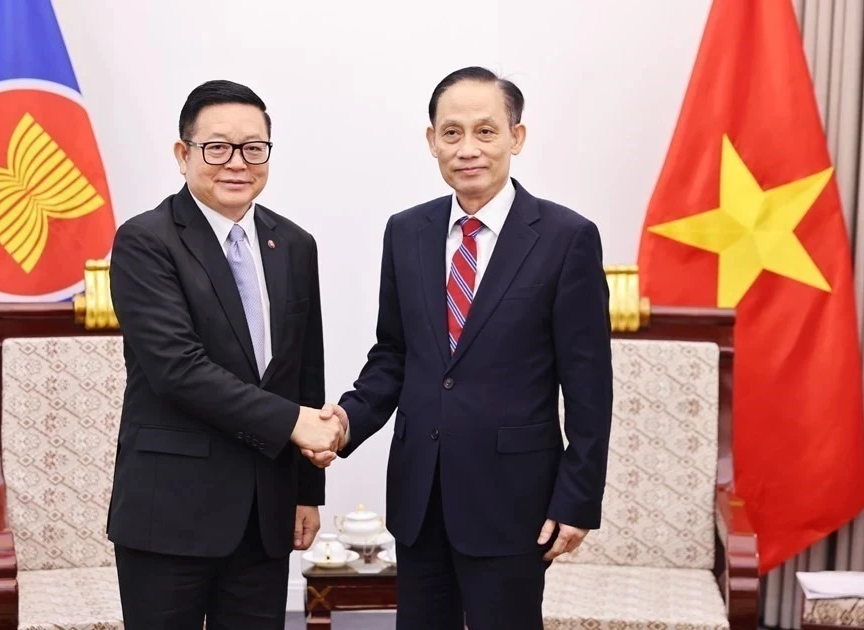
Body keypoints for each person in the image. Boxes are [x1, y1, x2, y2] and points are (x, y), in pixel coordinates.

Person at [311, 67, 614, 629]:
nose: (467, 148)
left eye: (486, 131)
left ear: (516, 138)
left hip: (515, 501)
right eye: (451, 133)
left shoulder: (567, 237)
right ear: (431, 141)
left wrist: (578, 498)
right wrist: (346, 422)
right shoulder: (406, 231)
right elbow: (394, 356)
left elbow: (590, 386)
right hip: (420, 497)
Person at [107, 79, 343, 630]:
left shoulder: (294, 244)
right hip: (169, 515)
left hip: (264, 517)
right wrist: (294, 424)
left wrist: (307, 493)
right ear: (182, 154)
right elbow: (177, 370)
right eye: (217, 147)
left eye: (253, 148)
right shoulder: (146, 241)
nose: (237, 163)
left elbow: (305, 369)